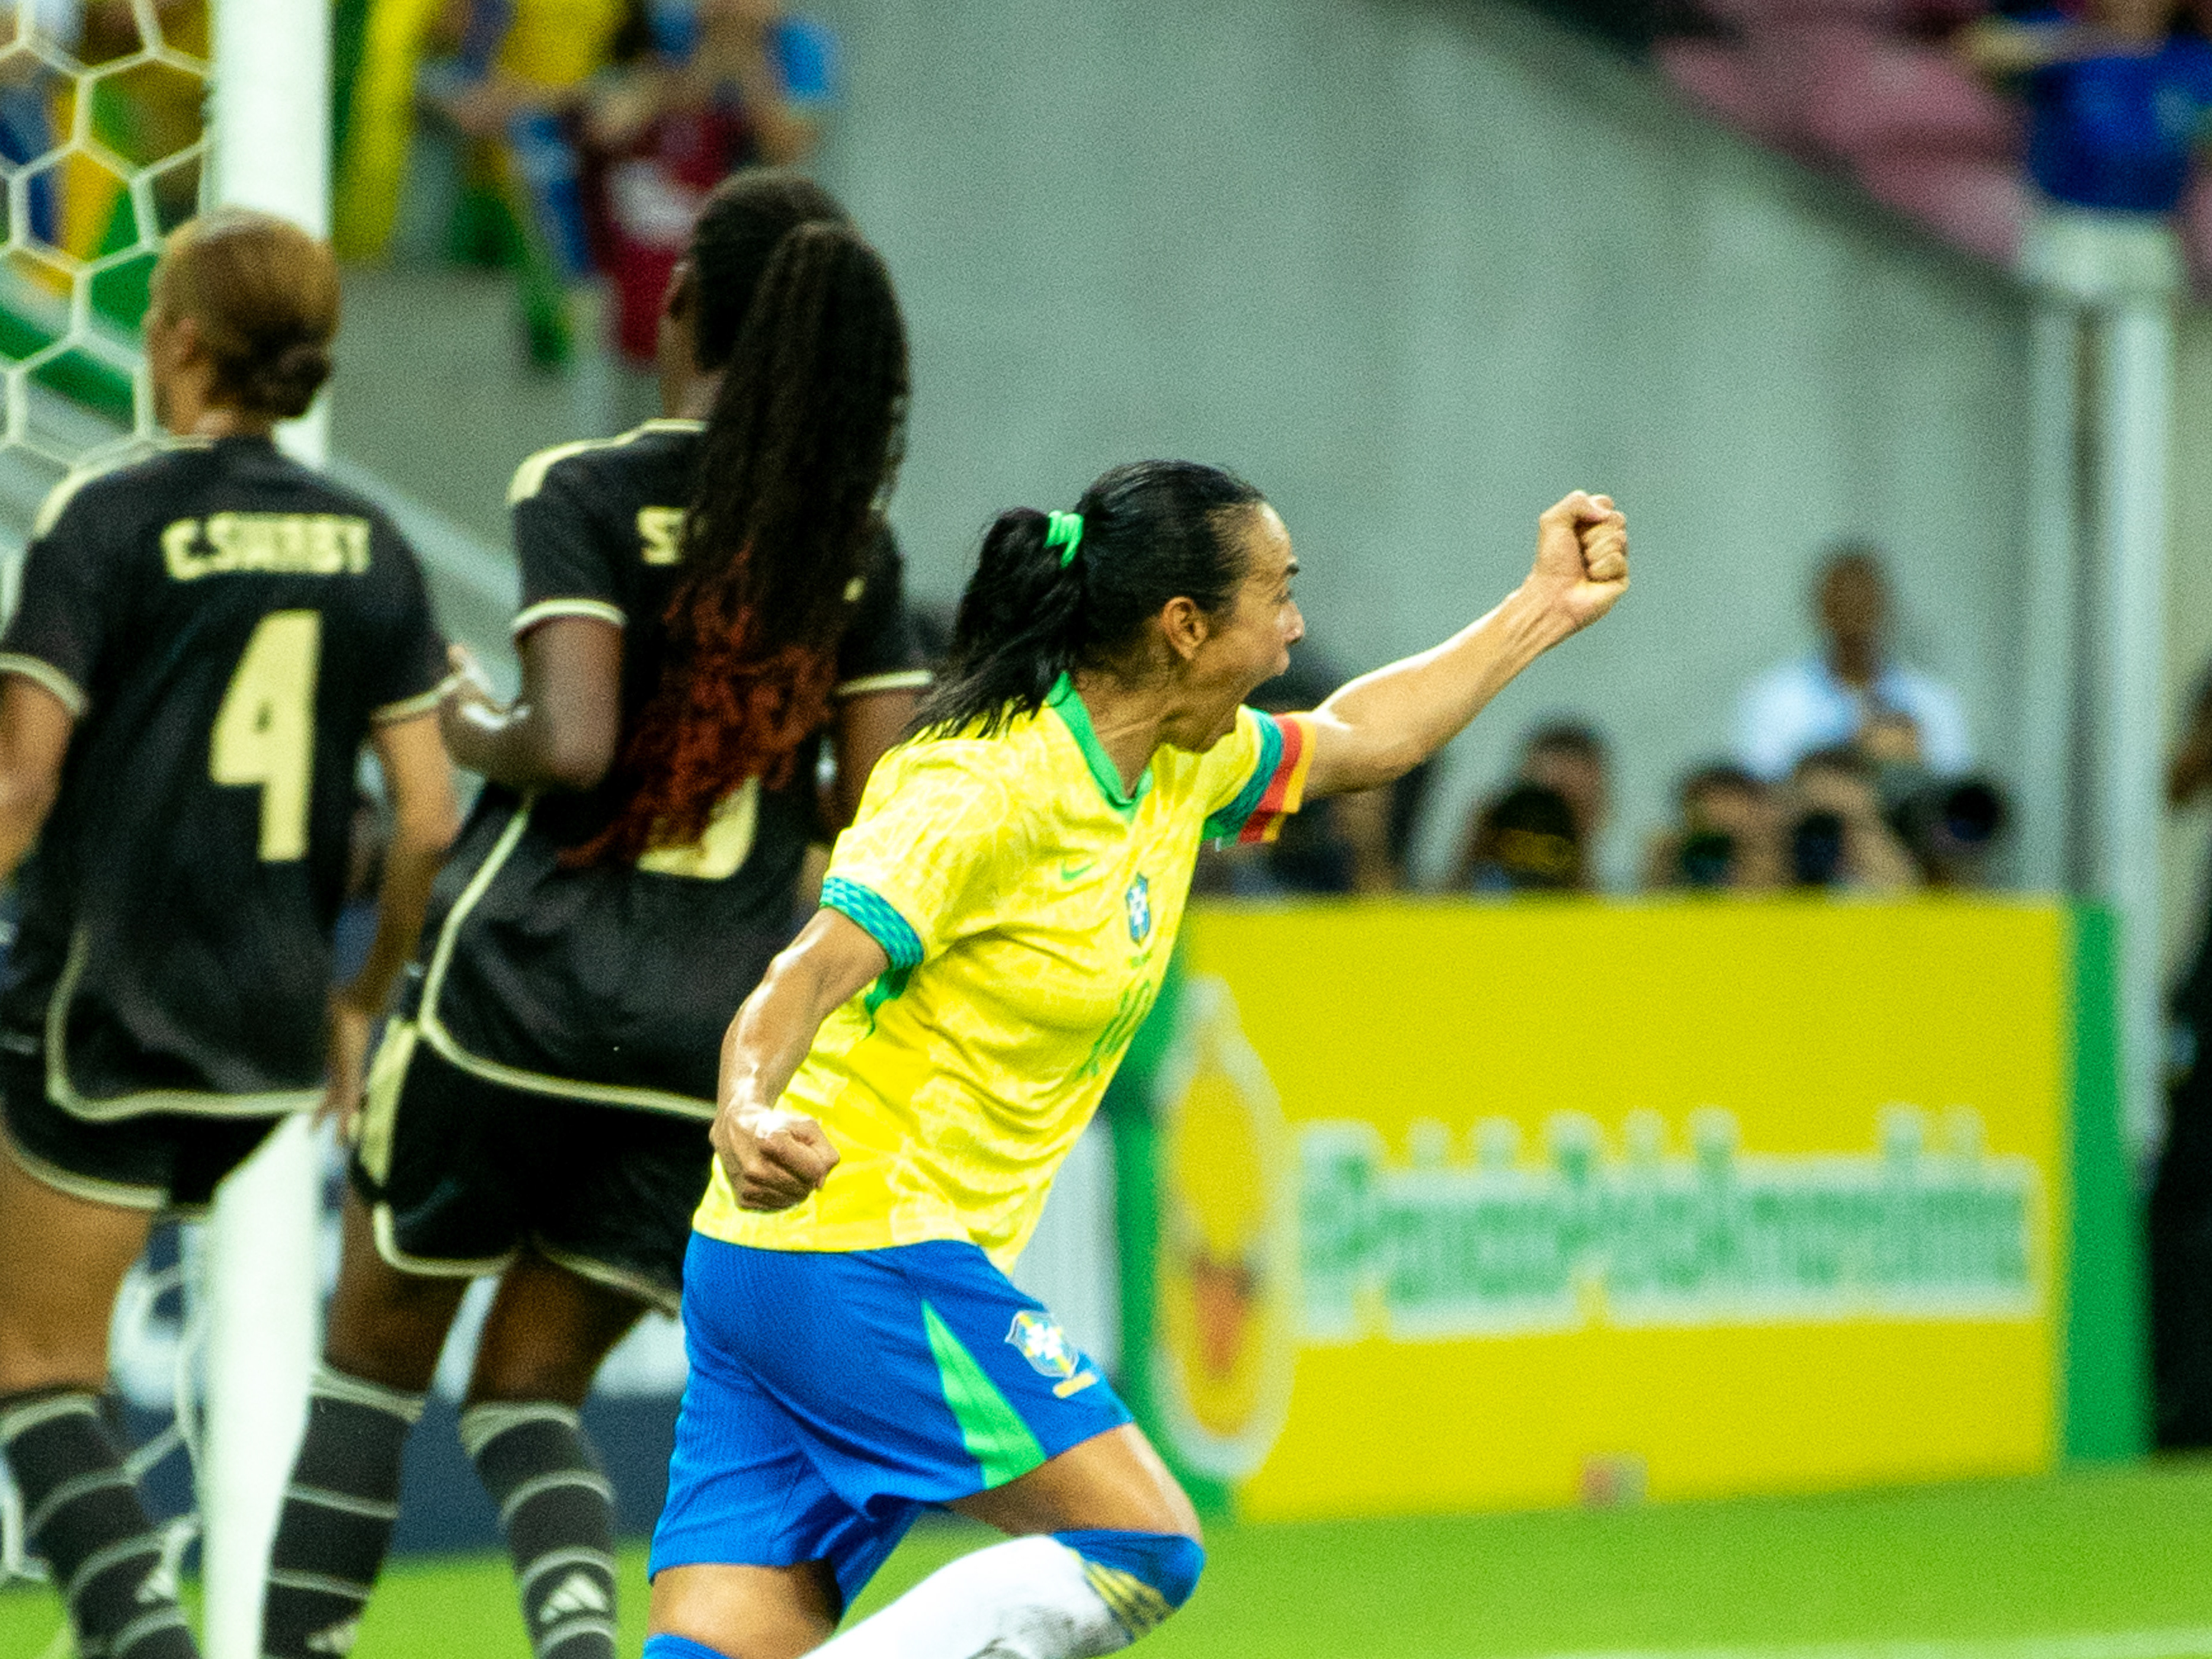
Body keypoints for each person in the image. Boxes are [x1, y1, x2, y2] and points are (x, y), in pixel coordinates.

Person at [643, 467, 1629, 1659]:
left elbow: (1364, 738)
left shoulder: (1180, 761)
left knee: (724, 1644)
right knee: (1140, 1545)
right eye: (1278, 594)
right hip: (858, 1243)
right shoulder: (981, 785)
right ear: (1184, 626)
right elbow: (806, 972)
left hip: (770, 1266)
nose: (1295, 629)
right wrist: (745, 1105)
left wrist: (1540, 606)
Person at [258, 171, 924, 1659]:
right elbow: (880, 808)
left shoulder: (589, 489)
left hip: (513, 998)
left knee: (368, 1372)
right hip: (701, 1040)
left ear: (682, 304)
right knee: (528, 1392)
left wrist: (464, 719)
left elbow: (568, 743)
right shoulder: (854, 550)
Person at [0, 207, 457, 1659]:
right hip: (269, 1037)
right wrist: (359, 997)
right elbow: (428, 817)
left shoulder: (105, 516)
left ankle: (147, 1640)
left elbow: (20, 784)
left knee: (33, 1365)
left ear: (182, 342)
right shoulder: (372, 542)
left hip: (107, 1011)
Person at [1736, 545, 1972, 784]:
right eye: (1842, 601)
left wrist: (1911, 764)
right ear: (1821, 607)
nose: (1853, 613)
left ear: (1886, 607)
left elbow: (1957, 791)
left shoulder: (1933, 704)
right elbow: (1758, 792)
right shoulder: (1773, 700)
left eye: (1863, 601)